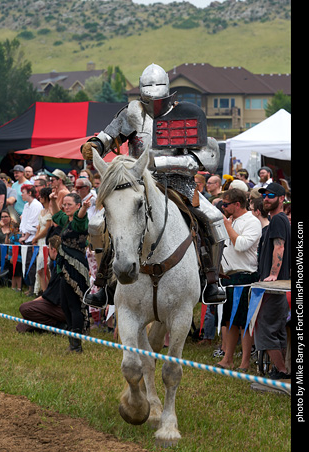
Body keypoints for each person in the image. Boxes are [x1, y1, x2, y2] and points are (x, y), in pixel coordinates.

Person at [81, 63, 228, 306]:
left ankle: (212, 280)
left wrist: (158, 162)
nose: (153, 101)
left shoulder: (185, 114)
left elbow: (204, 156)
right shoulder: (132, 113)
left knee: (213, 217)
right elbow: (109, 136)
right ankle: (101, 282)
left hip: (178, 183)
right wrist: (94, 145)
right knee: (98, 223)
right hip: (136, 183)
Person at [216, 188, 261, 372]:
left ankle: (244, 363)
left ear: (237, 204)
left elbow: (241, 245)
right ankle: (227, 359)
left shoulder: (252, 222)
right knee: (230, 321)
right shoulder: (232, 220)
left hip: (246, 277)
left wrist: (227, 226)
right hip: (229, 277)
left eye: (226, 204)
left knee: (244, 322)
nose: (223, 207)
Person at [254, 183, 291, 380]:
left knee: (264, 328)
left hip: (274, 286)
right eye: (264, 195)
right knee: (276, 328)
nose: (266, 198)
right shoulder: (279, 220)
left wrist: (273, 274)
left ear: (281, 198)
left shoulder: (278, 219)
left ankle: (281, 371)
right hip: (276, 286)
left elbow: (280, 247)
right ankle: (282, 368)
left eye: (270, 195)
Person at [50, 191, 90, 353]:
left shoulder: (81, 221)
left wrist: (85, 208)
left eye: (69, 205)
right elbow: (56, 216)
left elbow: (80, 217)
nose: (65, 207)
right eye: (64, 204)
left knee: (74, 305)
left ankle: (76, 345)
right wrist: (53, 201)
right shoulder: (67, 220)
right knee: (65, 306)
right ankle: (72, 341)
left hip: (75, 269)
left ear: (78, 205)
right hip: (64, 267)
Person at [16, 235, 67, 334]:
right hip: (54, 304)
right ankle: (52, 325)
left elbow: (49, 297)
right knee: (22, 326)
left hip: (62, 308)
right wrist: (43, 276)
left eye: (49, 248)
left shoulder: (61, 267)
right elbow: (49, 291)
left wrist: (33, 303)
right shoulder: (55, 264)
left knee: (24, 308)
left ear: (53, 250)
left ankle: (57, 325)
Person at [19, 184, 43, 295]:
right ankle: (30, 286)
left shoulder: (36, 206)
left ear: (29, 193)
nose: (21, 195)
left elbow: (33, 223)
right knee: (27, 263)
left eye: (23, 192)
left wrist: (26, 235)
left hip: (33, 238)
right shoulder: (26, 206)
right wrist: (23, 233)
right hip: (25, 238)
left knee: (31, 263)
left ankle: (33, 288)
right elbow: (23, 221)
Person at [32, 187, 53, 293]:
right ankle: (44, 291)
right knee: (40, 268)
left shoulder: (51, 211)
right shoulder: (42, 211)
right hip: (40, 242)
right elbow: (40, 226)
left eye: (41, 195)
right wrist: (35, 239)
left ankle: (48, 291)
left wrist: (36, 237)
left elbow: (47, 229)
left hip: (46, 241)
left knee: (45, 268)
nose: (39, 197)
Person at [7, 220, 23, 291]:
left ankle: (19, 287)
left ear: (17, 228)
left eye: (12, 227)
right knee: (13, 274)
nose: (11, 229)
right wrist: (7, 235)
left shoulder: (18, 237)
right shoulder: (12, 236)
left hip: (17, 258)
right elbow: (6, 242)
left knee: (17, 274)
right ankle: (13, 287)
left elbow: (17, 247)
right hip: (12, 258)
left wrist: (13, 257)